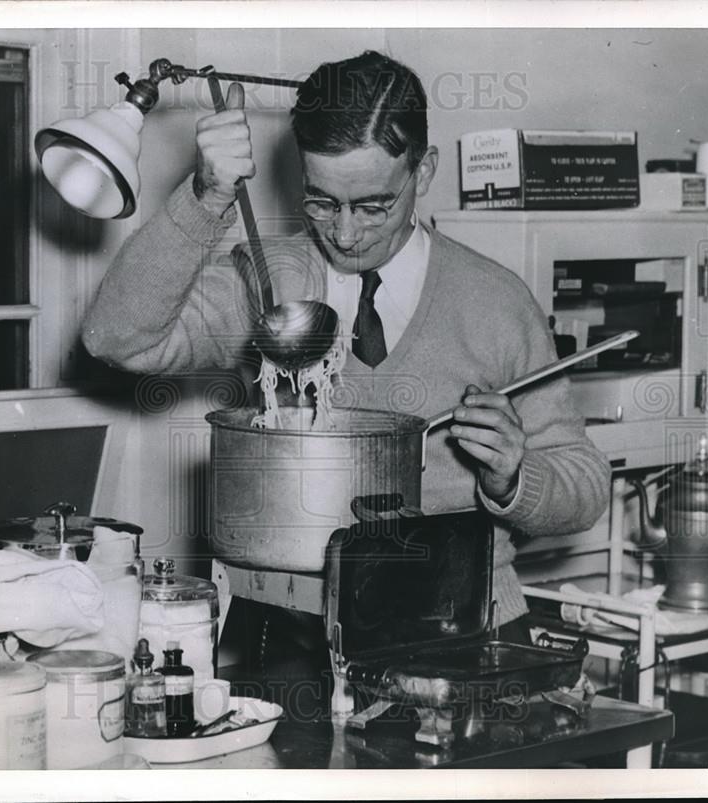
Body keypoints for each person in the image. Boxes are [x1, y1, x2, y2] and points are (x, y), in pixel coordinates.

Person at [83, 51, 611, 647]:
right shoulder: (271, 277)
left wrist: (514, 476)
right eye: (322, 201)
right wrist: (204, 197)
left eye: (372, 205)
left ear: (424, 171)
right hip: (294, 634)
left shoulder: (496, 302)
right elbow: (119, 340)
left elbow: (585, 487)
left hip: (466, 630)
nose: (344, 232)